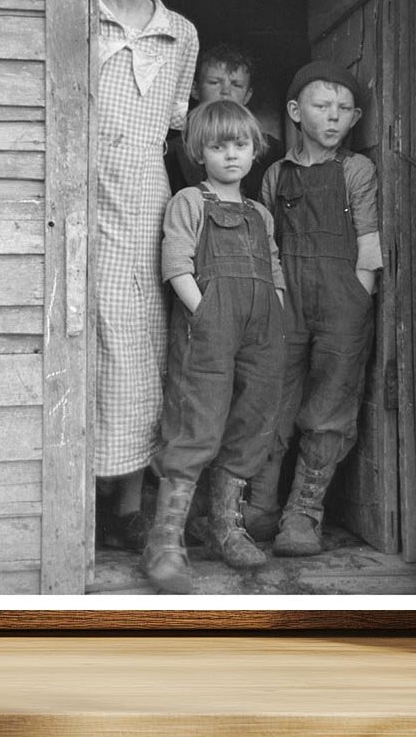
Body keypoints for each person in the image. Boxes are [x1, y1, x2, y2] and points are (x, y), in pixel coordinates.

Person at [142, 100, 286, 594]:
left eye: (240, 145)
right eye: (218, 146)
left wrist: (279, 307)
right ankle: (165, 540)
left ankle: (226, 524)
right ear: (199, 152)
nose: (231, 155)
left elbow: (273, 265)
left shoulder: (260, 213)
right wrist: (203, 311)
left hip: (263, 329)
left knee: (251, 421)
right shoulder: (188, 200)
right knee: (197, 422)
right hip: (209, 327)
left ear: (254, 151)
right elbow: (176, 262)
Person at [243, 60, 383, 556]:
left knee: (329, 405)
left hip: (341, 299)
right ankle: (258, 506)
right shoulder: (275, 175)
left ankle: (303, 514)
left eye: (344, 110)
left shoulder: (356, 169)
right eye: (322, 107)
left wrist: (359, 293)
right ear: (295, 111)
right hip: (287, 300)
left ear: (356, 116)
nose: (333, 118)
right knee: (274, 399)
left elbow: (369, 241)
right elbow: (266, 244)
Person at [95, 0, 200, 550]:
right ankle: (80, 494)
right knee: (89, 338)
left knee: (143, 339)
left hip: (144, 195)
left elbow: (174, 128)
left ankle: (131, 503)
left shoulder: (181, 32)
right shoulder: (78, 18)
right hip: (83, 193)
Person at [164, 42, 284, 203]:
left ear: (248, 95)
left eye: (236, 85)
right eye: (214, 82)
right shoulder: (170, 150)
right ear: (194, 89)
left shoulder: (270, 150)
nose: (225, 92)